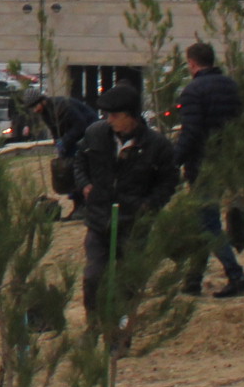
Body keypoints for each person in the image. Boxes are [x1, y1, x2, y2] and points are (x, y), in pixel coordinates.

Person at [75, 84, 182, 332]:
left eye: (115, 115)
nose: (109, 120)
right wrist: (85, 185)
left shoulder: (158, 146)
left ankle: (122, 332)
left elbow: (169, 181)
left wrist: (149, 205)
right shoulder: (95, 134)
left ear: (131, 115)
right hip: (99, 220)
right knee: (93, 277)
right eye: (106, 115)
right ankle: (94, 325)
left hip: (134, 224)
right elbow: (80, 160)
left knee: (128, 284)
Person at [174, 42, 244, 299]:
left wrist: (173, 160)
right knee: (201, 221)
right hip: (227, 161)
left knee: (208, 223)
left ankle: (236, 275)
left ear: (192, 63)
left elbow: (191, 132)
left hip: (203, 165)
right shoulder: (232, 85)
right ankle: (193, 279)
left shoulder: (193, 92)